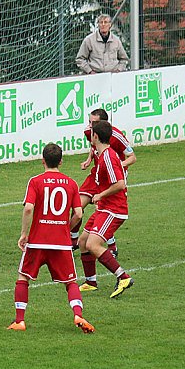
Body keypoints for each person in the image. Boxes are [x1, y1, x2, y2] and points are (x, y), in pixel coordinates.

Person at [7, 143, 95, 334]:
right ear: (61, 162)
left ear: (43, 161)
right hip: (61, 243)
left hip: (37, 241)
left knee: (23, 277)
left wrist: (24, 234)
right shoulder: (71, 183)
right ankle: (78, 314)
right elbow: (79, 214)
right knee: (70, 282)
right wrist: (65, 228)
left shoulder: (35, 181)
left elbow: (28, 208)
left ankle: (20, 320)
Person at [77, 120, 134, 298]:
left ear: (95, 136)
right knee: (82, 242)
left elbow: (120, 184)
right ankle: (91, 282)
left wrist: (100, 195)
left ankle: (123, 277)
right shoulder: (103, 155)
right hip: (104, 208)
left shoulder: (108, 156)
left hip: (113, 209)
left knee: (92, 244)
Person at [71, 108, 136, 257]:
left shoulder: (117, 136)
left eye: (94, 123)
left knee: (103, 211)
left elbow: (132, 157)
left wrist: (116, 166)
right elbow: (94, 145)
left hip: (110, 179)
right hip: (96, 174)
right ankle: (73, 241)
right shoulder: (90, 131)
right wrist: (89, 159)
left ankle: (112, 246)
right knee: (77, 206)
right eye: (89, 122)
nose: (90, 126)